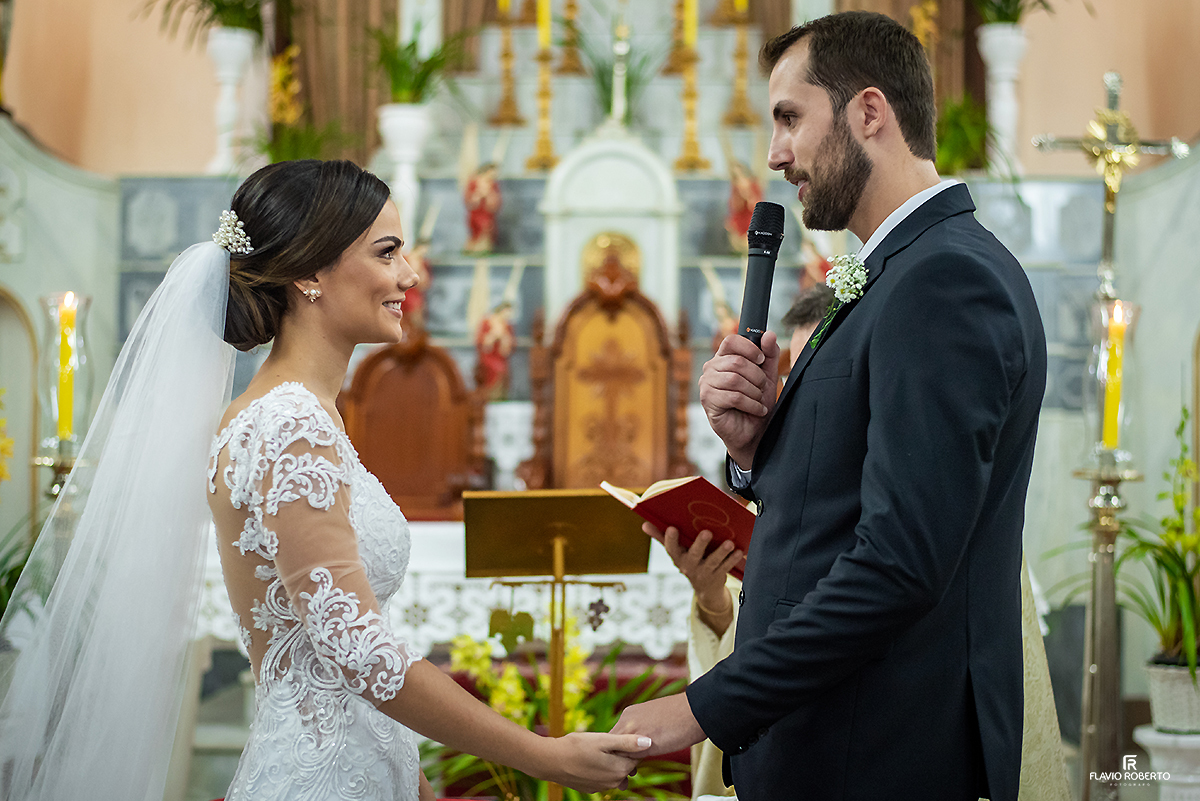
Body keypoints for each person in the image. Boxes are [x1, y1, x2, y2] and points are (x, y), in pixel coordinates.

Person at [0, 160, 651, 801]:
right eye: (388, 252)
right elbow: (359, 650)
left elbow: (333, 671)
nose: (410, 274)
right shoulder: (286, 426)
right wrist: (545, 756)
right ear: (310, 273)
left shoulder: (306, 417)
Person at [613, 13, 1048, 801]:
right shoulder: (895, 272)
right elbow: (842, 503)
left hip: (879, 753)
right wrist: (755, 451)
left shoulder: (945, 281)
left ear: (869, 112)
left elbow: (899, 561)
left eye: (789, 118)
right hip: (831, 745)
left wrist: (702, 706)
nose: (775, 154)